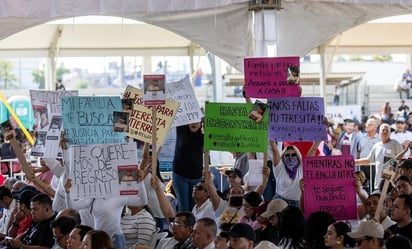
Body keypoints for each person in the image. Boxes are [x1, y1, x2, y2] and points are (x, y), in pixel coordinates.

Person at [355, 123, 406, 191]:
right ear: (379, 133)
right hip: (379, 183)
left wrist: (397, 176)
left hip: (392, 183)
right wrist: (353, 161)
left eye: (387, 130)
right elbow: (368, 160)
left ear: (390, 133)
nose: (385, 132)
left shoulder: (395, 144)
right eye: (383, 130)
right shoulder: (377, 146)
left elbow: (402, 160)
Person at [270, 141, 319, 207]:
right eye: (287, 155)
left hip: (297, 204)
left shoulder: (302, 167)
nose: (290, 157)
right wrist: (271, 137)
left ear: (298, 156)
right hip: (279, 203)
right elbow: (275, 150)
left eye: (293, 155)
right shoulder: (280, 167)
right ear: (283, 157)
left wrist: (319, 137)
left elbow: (314, 149)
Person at [173, 122, 204, 212]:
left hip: (197, 177)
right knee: (184, 208)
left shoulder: (204, 136)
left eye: (197, 121)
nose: (194, 123)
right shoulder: (181, 129)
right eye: (192, 120)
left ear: (201, 123)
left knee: (195, 208)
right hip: (180, 176)